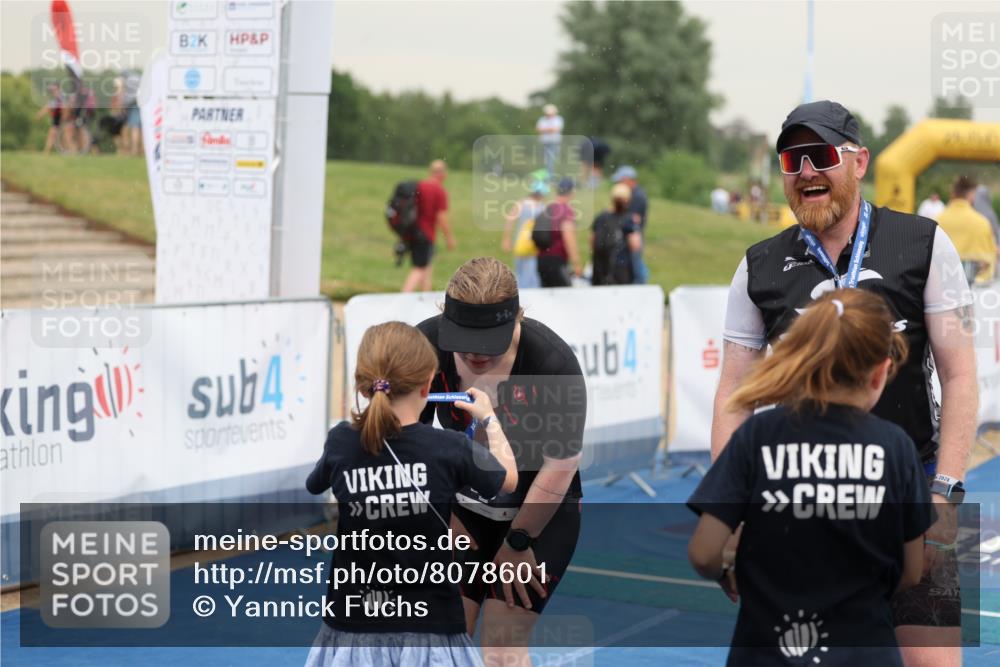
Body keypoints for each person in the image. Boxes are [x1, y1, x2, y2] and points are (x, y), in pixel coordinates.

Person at [712, 100, 978, 667]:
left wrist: (946, 493)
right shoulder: (758, 265)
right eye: (793, 160)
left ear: (859, 162)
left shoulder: (924, 243)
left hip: (911, 495)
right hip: (798, 507)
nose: (806, 171)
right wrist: (731, 513)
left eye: (821, 155)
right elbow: (734, 396)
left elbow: (959, 375)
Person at [689, 289, 932, 666]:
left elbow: (704, 552)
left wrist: (728, 570)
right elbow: (912, 569)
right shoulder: (895, 447)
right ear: (880, 372)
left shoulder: (759, 436)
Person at [305, 321, 518, 667]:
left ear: (363, 384)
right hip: (430, 626)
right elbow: (507, 479)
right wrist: (490, 419)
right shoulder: (448, 447)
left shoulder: (342, 441)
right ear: (428, 382)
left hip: (353, 623)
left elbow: (315, 484)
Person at [416, 257, 587, 666]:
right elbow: (405, 443)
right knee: (440, 643)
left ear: (516, 319)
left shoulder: (552, 364)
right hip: (463, 510)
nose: (474, 352)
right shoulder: (424, 346)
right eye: (463, 338)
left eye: (487, 340)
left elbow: (560, 465)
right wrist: (436, 516)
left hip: (539, 515)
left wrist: (519, 540)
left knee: (501, 651)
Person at [402, 160, 455, 293]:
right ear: (442, 174)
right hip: (425, 234)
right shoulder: (439, 190)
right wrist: (449, 238)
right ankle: (402, 298)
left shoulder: (421, 185)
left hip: (413, 232)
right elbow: (441, 217)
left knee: (426, 267)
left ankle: (426, 297)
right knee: (419, 268)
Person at [936, 175, 997, 284]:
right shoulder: (982, 223)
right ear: (971, 194)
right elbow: (989, 258)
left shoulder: (936, 221)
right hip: (975, 287)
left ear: (952, 193)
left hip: (942, 284)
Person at [590, 183, 641, 285]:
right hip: (621, 267)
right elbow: (635, 245)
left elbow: (592, 241)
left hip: (600, 267)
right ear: (628, 200)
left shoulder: (601, 217)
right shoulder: (629, 219)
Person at [536, 177, 583, 287]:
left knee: (546, 294)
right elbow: (569, 238)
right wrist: (576, 263)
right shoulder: (565, 210)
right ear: (571, 192)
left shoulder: (548, 207)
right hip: (557, 260)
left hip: (541, 259)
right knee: (564, 294)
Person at [502, 180, 547, 289]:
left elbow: (510, 219)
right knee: (532, 273)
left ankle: (520, 290)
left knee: (520, 271)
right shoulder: (542, 207)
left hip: (520, 243)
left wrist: (506, 238)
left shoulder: (522, 203)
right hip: (535, 244)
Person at [611, 166, 649, 283]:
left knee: (636, 270)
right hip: (629, 238)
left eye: (620, 181)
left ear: (628, 179)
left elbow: (631, 219)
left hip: (632, 239)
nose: (619, 184)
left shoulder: (637, 196)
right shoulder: (636, 194)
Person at [535, 104, 563, 178]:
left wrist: (545, 130)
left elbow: (555, 129)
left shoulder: (558, 119)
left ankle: (549, 176)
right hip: (544, 142)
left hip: (554, 142)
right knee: (545, 160)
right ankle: (545, 175)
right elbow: (538, 129)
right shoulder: (542, 119)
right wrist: (549, 129)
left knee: (550, 160)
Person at [35, 84, 64, 154]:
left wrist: (40, 114)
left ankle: (46, 152)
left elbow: (48, 107)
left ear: (58, 89)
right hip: (58, 120)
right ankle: (46, 152)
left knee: (53, 136)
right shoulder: (57, 99)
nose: (53, 92)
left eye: (54, 90)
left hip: (60, 120)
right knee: (53, 136)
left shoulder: (60, 98)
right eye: (52, 91)